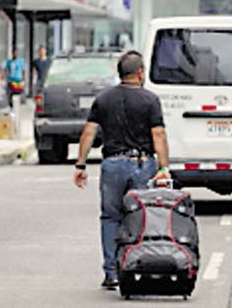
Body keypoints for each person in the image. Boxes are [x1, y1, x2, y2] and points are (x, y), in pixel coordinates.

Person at [72, 51, 171, 290]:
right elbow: (158, 134)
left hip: (112, 165)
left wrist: (80, 165)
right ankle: (136, 266)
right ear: (140, 73)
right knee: (139, 217)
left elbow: (88, 132)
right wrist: (164, 167)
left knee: (110, 217)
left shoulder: (104, 99)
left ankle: (111, 272)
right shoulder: (150, 100)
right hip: (142, 163)